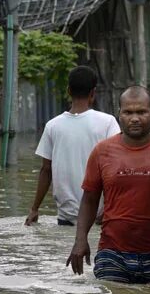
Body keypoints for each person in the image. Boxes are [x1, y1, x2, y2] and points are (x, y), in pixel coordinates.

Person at [66, 86, 150, 284]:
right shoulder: (102, 151)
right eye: (128, 112)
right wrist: (80, 240)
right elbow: (90, 200)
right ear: (119, 114)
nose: (134, 118)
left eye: (141, 112)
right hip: (112, 254)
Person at [25, 66, 121, 227]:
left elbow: (45, 171)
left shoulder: (52, 126)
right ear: (93, 93)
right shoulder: (108, 122)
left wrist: (35, 209)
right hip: (99, 217)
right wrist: (112, 206)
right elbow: (118, 168)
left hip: (65, 218)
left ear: (68, 91)